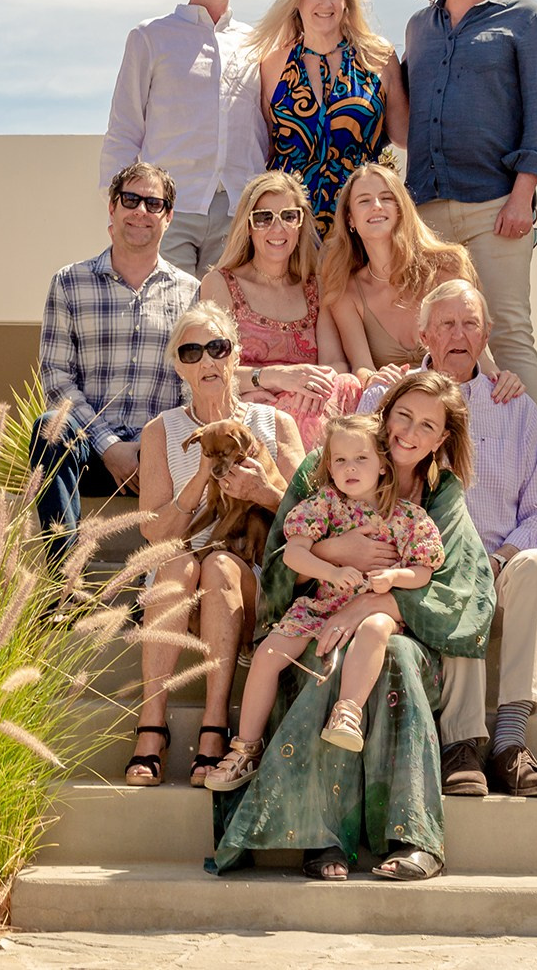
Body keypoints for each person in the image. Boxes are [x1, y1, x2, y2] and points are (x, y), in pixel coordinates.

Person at [213, 369, 493, 883]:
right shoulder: (330, 466)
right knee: (323, 656)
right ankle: (321, 834)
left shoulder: (439, 497)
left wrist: (369, 603)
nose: (409, 432)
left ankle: (413, 836)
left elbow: (458, 584)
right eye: (402, 415)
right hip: (315, 612)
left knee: (398, 661)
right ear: (384, 415)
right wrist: (334, 552)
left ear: (442, 440)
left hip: (402, 629)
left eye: (427, 426)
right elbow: (283, 556)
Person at [356, 277, 537, 798]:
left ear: (487, 333)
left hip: (501, 562)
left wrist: (498, 561)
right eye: (446, 323)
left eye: (470, 323)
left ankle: (511, 742)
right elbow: (351, 481)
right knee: (460, 573)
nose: (458, 333)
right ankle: (462, 742)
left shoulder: (515, 408)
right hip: (417, 563)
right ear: (423, 334)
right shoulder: (387, 398)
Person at [203, 413, 442, 792]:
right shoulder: (324, 506)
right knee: (267, 654)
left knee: (376, 628)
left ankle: (348, 712)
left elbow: (423, 570)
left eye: (361, 458)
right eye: (340, 460)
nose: (350, 468)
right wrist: (329, 572)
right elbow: (293, 555)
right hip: (321, 605)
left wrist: (395, 577)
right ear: (328, 466)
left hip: (374, 605)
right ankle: (246, 747)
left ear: (383, 464)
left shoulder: (406, 517)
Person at [127, 302, 304, 788]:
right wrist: (202, 474)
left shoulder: (274, 425)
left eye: (217, 348)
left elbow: (313, 513)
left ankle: (213, 725)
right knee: (177, 565)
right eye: (191, 351)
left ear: (235, 354)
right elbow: (153, 532)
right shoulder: (161, 431)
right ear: (178, 365)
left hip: (249, 568)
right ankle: (152, 724)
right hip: (181, 568)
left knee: (221, 566)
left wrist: (261, 492)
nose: (206, 360)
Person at [392, 0, 537, 408]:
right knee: (433, 337)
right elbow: (402, 115)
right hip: (425, 211)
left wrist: (522, 196)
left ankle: (533, 476)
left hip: (496, 208)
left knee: (507, 331)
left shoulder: (526, 20)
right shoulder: (418, 29)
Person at [34, 163, 199, 561]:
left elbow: (192, 383)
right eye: (131, 199)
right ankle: (63, 585)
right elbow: (56, 379)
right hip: (90, 448)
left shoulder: (190, 292)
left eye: (153, 203)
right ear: (112, 207)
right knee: (49, 429)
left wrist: (150, 448)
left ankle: (153, 590)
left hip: (159, 451)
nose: (141, 210)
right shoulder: (69, 282)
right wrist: (109, 446)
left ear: (169, 216)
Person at [100, 0, 266, 277]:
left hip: (237, 214)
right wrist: (118, 207)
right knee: (169, 327)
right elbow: (124, 129)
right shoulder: (150, 37)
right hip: (168, 210)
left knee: (224, 327)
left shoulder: (257, 44)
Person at [319, 162, 522, 403]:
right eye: (364, 200)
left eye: (386, 198)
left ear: (400, 209)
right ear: (350, 219)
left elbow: (479, 355)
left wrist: (502, 379)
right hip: (398, 414)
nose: (376, 206)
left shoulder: (448, 267)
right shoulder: (347, 292)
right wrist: (374, 377)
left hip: (458, 404)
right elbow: (362, 366)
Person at [196, 170, 360, 445]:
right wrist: (277, 378)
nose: (277, 228)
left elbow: (335, 362)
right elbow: (212, 370)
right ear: (247, 226)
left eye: (288, 216)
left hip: (312, 405)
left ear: (300, 224)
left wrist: (311, 387)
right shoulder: (220, 284)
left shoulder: (314, 286)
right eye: (263, 218)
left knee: (348, 385)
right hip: (251, 408)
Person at [248, 0, 401, 237]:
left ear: (347, 1)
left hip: (360, 218)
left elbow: (405, 135)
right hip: (290, 224)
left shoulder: (378, 56)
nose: (326, 2)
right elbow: (266, 148)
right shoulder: (271, 64)